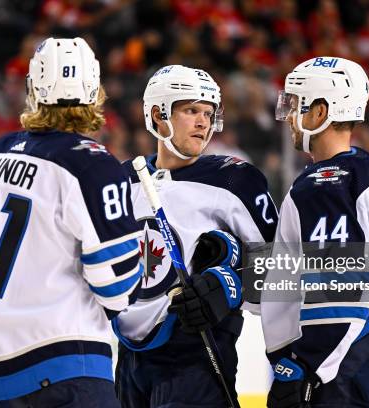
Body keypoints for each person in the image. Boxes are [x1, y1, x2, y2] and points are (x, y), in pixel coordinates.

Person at [0, 37, 142, 407]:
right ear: (95, 90)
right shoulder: (93, 165)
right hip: (65, 366)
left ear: (34, 88)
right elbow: (116, 285)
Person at [112, 65, 279, 407]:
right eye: (191, 111)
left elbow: (284, 270)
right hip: (128, 359)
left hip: (196, 355)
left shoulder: (235, 180)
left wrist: (228, 284)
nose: (203, 122)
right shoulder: (122, 180)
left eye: (208, 113)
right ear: (159, 114)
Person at [261, 56, 369, 408]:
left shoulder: (326, 184)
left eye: (297, 106)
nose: (290, 119)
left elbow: (339, 288)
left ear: (321, 112)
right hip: (368, 348)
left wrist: (307, 369)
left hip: (338, 365)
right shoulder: (367, 168)